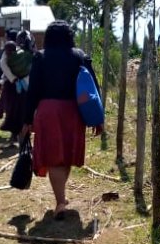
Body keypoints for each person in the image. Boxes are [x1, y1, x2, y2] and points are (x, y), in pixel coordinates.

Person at [23, 20, 103, 219]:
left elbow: (32, 92)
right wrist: (98, 117)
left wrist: (26, 120)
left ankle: (60, 200)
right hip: (72, 111)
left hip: (47, 111)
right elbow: (93, 88)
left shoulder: (40, 58)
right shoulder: (79, 56)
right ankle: (61, 200)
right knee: (65, 155)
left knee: (54, 158)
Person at [0, 29, 35, 143]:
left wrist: (13, 78)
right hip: (20, 86)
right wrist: (17, 79)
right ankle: (18, 134)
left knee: (14, 110)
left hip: (14, 85)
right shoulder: (31, 53)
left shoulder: (12, 50)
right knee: (18, 110)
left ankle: (19, 134)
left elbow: (3, 64)